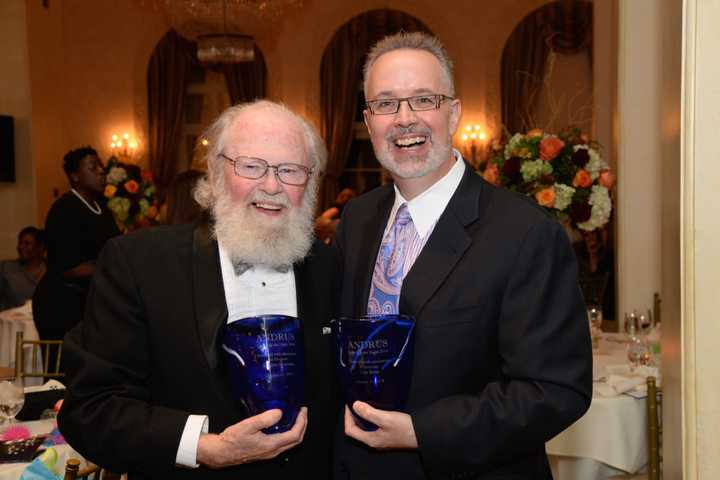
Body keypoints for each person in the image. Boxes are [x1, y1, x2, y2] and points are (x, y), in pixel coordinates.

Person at [334, 32, 592, 479]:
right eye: (386, 103)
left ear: (453, 112)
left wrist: (421, 430)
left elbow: (555, 390)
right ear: (368, 120)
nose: (404, 119)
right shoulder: (357, 217)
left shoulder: (526, 233)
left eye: (423, 100)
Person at [58, 100, 338, 479]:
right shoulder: (140, 264)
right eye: (251, 166)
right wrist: (203, 447)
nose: (271, 186)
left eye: (290, 171)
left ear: (311, 182)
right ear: (216, 172)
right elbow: (91, 408)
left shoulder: (333, 269)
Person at [32, 147, 120, 342]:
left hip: (88, 301)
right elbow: (67, 268)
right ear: (75, 176)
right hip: (60, 304)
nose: (101, 171)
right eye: (93, 167)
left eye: (101, 166)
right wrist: (111, 268)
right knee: (64, 370)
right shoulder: (64, 210)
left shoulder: (102, 209)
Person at [0, 227, 46, 309]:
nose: (21, 247)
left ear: (40, 247)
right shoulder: (6, 268)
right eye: (20, 243)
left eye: (27, 244)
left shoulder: (53, 270)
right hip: (9, 319)